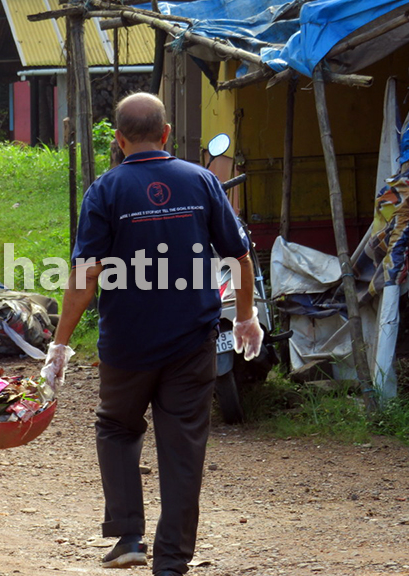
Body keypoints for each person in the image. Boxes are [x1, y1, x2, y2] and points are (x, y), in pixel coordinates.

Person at [42, 92, 263, 574]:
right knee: (183, 445)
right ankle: (171, 564)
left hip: (127, 345)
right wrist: (246, 316)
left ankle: (128, 537)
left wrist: (60, 343)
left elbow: (85, 277)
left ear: (119, 141)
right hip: (191, 341)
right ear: (166, 135)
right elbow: (239, 258)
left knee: (117, 427)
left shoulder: (105, 190)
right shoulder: (202, 180)